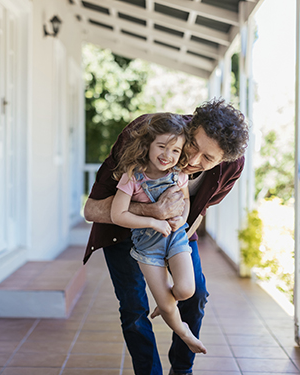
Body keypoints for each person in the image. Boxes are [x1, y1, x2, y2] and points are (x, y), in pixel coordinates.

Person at [83, 98, 249, 375]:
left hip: (176, 232)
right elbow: (92, 210)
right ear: (190, 127)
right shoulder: (148, 133)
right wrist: (153, 211)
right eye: (193, 146)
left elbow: (197, 211)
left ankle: (182, 370)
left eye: (208, 159)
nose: (194, 161)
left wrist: (174, 254)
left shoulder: (231, 167)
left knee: (194, 296)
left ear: (223, 160)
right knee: (134, 309)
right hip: (124, 231)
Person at [110, 113, 207, 354]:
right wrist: (154, 223)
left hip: (175, 237)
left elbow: (185, 201)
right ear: (148, 144)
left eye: (175, 150)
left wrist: (180, 220)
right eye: (161, 147)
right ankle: (183, 331)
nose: (167, 155)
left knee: (186, 290)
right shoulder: (132, 177)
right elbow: (118, 215)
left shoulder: (178, 174)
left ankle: (166, 306)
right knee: (166, 304)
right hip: (147, 246)